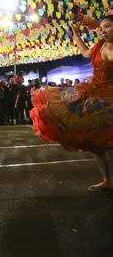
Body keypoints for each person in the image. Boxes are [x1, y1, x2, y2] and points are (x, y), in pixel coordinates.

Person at [30, 14, 113, 192]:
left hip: (110, 99)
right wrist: (76, 34)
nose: (104, 30)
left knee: (109, 142)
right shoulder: (100, 46)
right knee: (95, 142)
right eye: (102, 27)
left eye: (108, 27)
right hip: (93, 96)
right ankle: (108, 180)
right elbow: (85, 53)